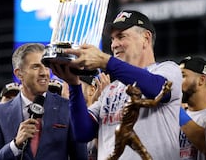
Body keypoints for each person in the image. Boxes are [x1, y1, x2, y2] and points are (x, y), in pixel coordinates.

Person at [49, 10, 183, 159]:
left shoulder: (168, 69)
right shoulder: (111, 89)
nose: (114, 45)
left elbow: (157, 89)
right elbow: (82, 132)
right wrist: (74, 84)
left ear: (146, 38)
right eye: (112, 39)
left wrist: (106, 61)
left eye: (121, 36)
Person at [0, 43, 87, 160]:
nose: (44, 73)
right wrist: (15, 145)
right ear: (19, 73)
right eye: (36, 67)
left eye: (46, 66)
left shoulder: (67, 108)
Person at [178, 56, 206, 159]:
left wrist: (176, 111)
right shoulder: (178, 115)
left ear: (201, 80)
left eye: (182, 76)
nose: (176, 82)